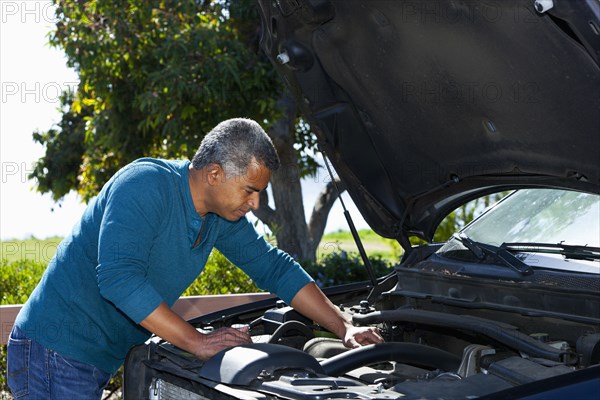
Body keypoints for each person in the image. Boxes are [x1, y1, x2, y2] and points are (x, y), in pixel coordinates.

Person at [7, 118, 383, 399]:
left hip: (95, 359)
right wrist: (197, 342)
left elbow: (273, 266)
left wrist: (342, 327)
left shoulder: (222, 217)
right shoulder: (143, 185)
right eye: (250, 191)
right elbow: (119, 279)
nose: (255, 204)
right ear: (215, 174)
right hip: (53, 351)